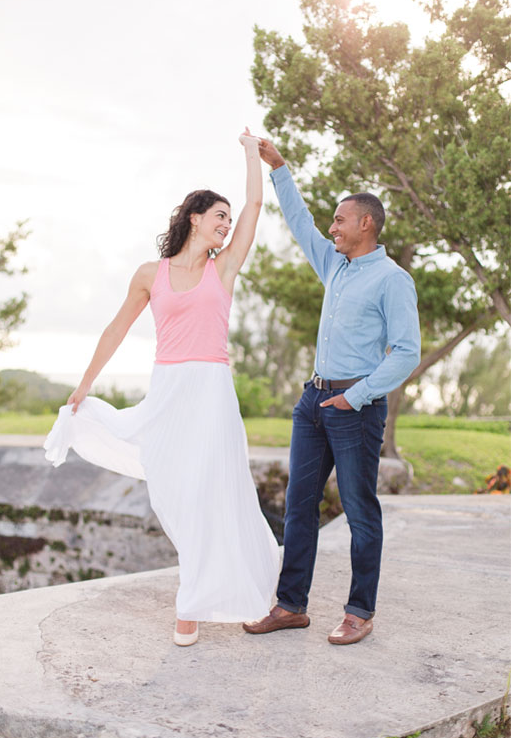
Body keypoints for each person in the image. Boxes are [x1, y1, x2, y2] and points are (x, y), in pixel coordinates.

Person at [43, 130, 280, 646]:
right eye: (218, 215)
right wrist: (82, 387)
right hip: (169, 389)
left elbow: (256, 202)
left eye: (227, 218)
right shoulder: (152, 274)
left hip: (213, 391)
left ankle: (189, 606)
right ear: (195, 218)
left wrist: (250, 154)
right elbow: (115, 329)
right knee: (174, 493)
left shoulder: (228, 267)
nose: (225, 223)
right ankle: (196, 589)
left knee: (211, 493)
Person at [242, 140, 420, 645]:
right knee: (299, 505)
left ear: (366, 224)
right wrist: (278, 168)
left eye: (341, 220)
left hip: (354, 409)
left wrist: (356, 396)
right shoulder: (334, 266)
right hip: (312, 402)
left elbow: (406, 352)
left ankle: (359, 611)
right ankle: (290, 605)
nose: (333, 227)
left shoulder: (392, 279)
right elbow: (300, 222)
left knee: (360, 510)